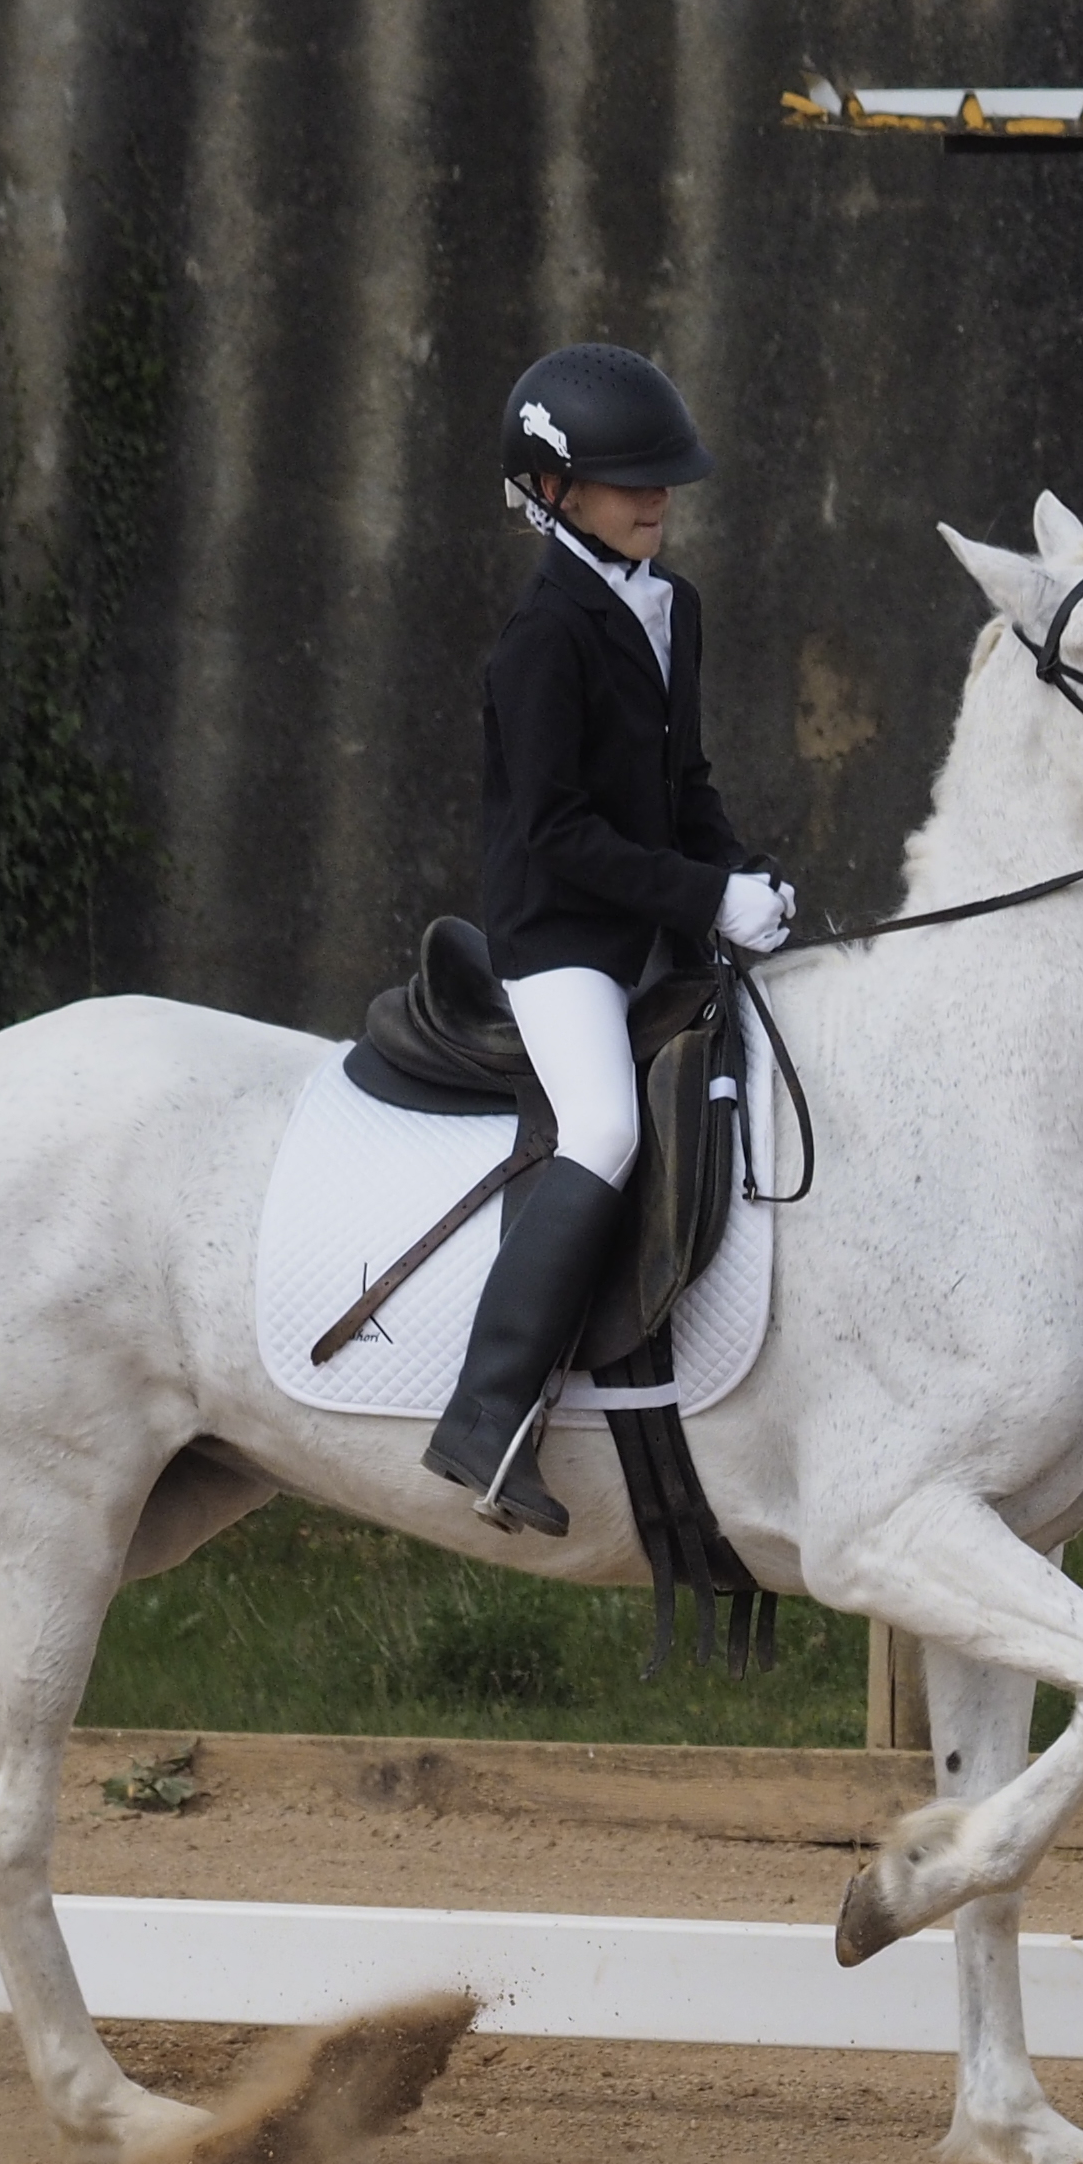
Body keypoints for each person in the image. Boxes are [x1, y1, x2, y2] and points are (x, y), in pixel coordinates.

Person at [421, 344, 794, 1534]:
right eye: (629, 480)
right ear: (549, 491)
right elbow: (561, 833)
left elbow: (686, 780)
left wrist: (739, 874)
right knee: (607, 1126)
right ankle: (485, 1418)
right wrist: (695, 899)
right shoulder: (544, 637)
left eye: (664, 478)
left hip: (650, 917)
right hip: (561, 936)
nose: (657, 499)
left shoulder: (673, 603)